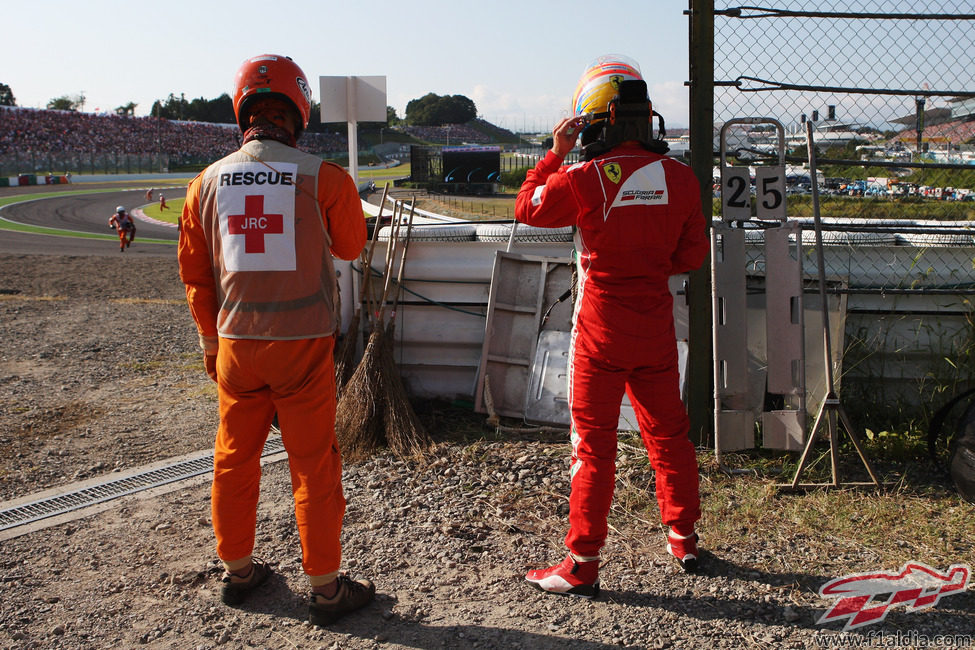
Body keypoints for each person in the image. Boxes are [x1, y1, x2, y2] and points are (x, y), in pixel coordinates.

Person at [177, 53, 373, 626]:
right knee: (313, 464)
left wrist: (211, 347)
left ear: (243, 110)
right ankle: (326, 589)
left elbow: (196, 276)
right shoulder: (325, 177)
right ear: (299, 109)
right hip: (304, 347)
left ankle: (238, 572)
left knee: (234, 460)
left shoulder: (204, 184)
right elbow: (352, 248)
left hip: (236, 344)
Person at [518, 55, 709, 598]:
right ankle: (684, 536)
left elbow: (528, 209)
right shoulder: (683, 179)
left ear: (592, 120)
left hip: (599, 335)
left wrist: (553, 152)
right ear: (647, 118)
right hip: (656, 330)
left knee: (593, 447)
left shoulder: (583, 177)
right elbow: (690, 256)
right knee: (669, 435)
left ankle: (581, 563)